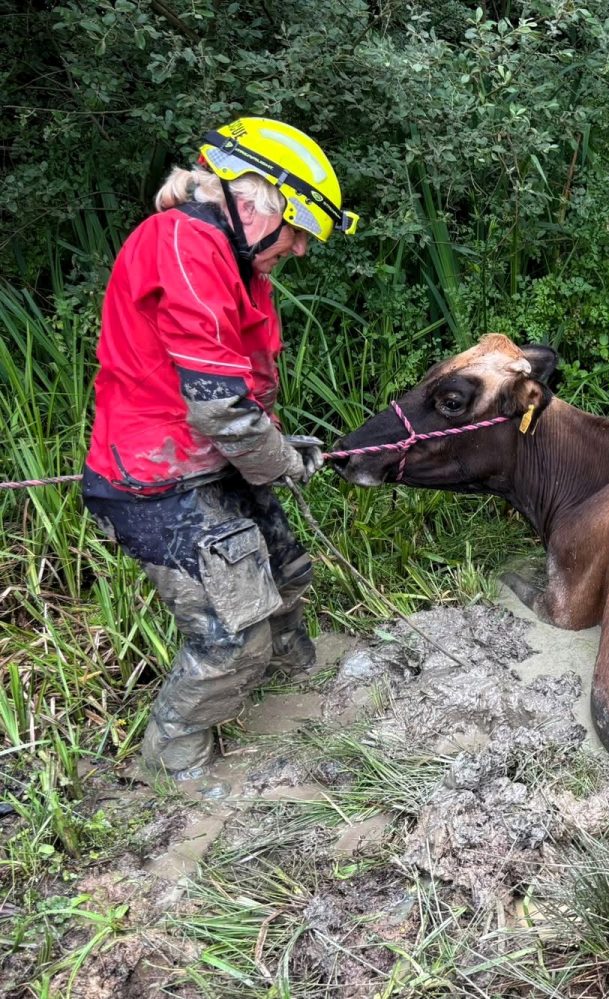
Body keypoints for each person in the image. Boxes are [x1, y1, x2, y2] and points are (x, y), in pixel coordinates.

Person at [81, 117, 359, 779]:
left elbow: (239, 400)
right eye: (297, 231)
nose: (298, 250)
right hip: (156, 479)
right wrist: (283, 461)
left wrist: (275, 445)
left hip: (211, 460)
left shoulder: (231, 260)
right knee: (231, 635)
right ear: (255, 201)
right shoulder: (183, 244)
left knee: (288, 573)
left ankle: (296, 687)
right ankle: (174, 764)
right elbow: (217, 406)